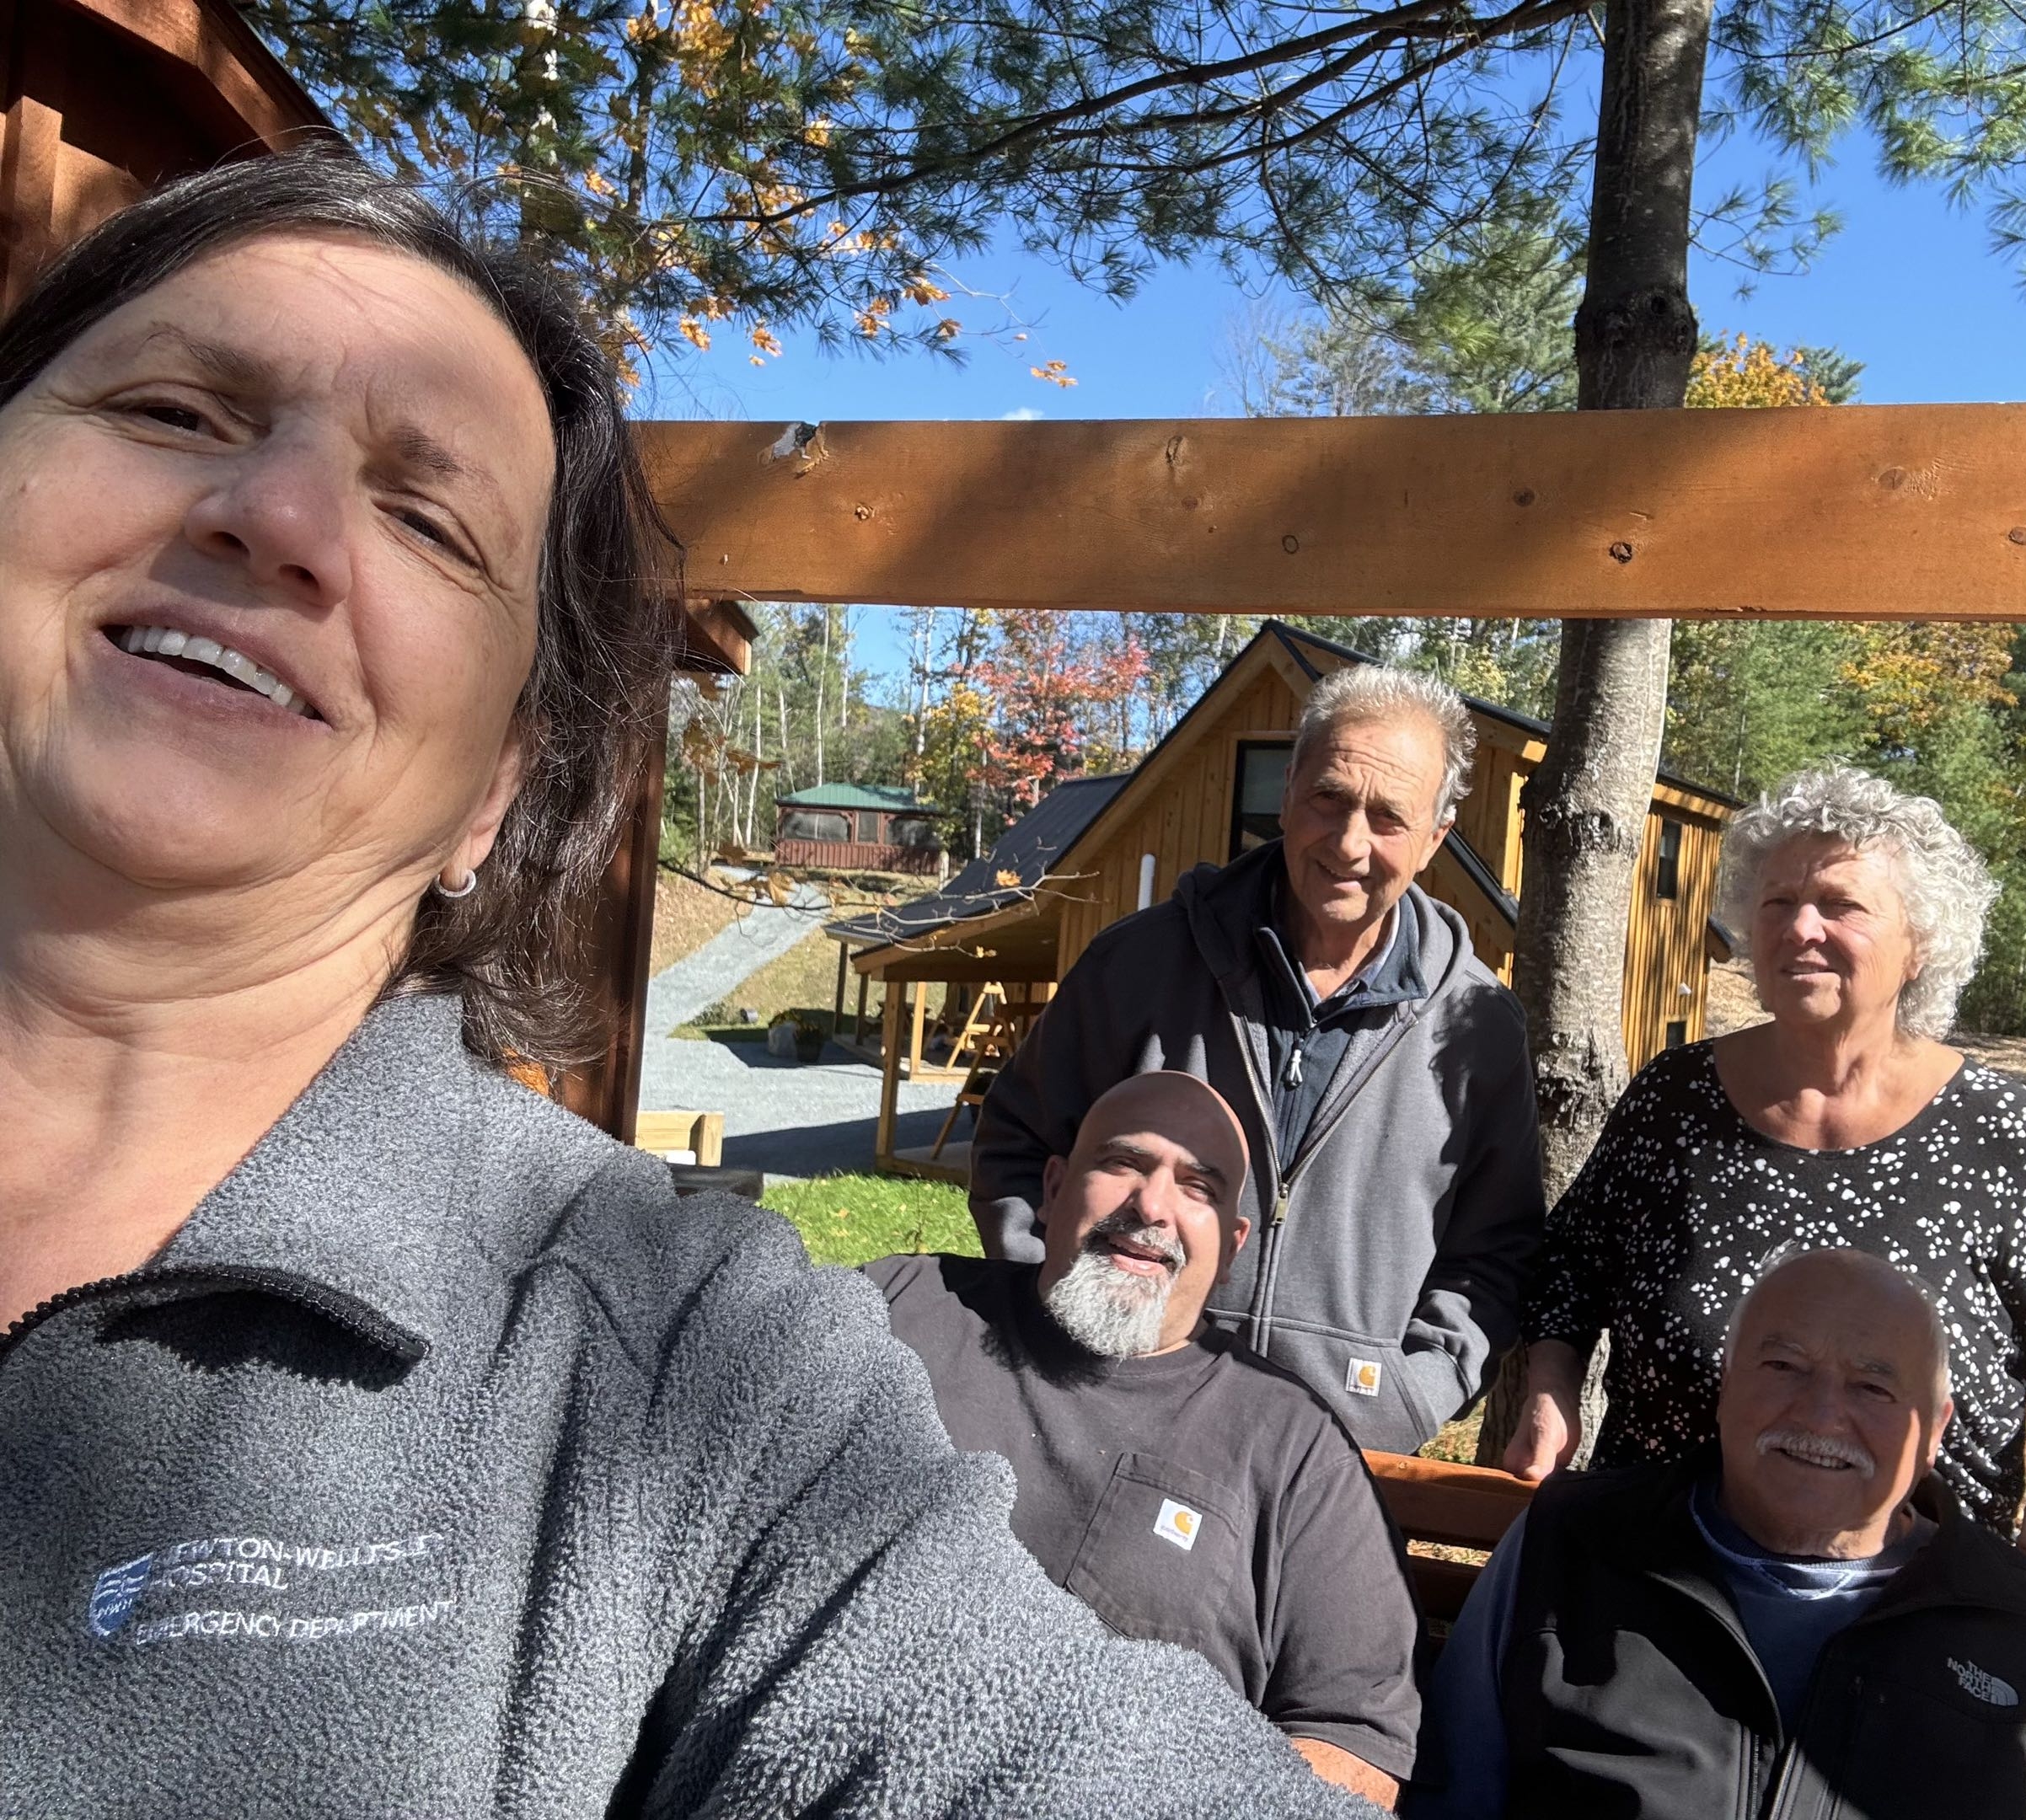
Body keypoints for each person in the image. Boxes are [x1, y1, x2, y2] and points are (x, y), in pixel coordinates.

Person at [0, 152, 1373, 1818]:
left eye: (427, 519)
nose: (273, 516)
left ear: (498, 788)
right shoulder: (1119, 992)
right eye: (176, 409)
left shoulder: (675, 1358)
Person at [1501, 766, 2026, 1621]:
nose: (1800, 930)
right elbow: (1569, 1266)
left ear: (1919, 942)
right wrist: (1552, 1388)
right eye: (1777, 904)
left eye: (1842, 906)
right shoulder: (1676, 1102)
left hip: (1918, 1613)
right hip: (1659, 1595)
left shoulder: (2004, 1135)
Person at [970, 663, 1546, 1453]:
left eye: (1387, 818)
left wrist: (1410, 1394)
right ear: (1287, 791)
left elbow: (1496, 1251)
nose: (1349, 843)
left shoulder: (1477, 1029)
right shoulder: (1139, 966)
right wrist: (1063, 1316)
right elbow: (1016, 1146)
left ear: (1436, 838)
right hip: (1108, 1416)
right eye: (1329, 798)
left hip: (1335, 1454)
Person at [1418, 1247, 2026, 1820]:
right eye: (1783, 1366)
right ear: (1725, 1388)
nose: (1819, 1416)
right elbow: (1450, 1799)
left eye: (1873, 1386)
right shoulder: (1574, 1545)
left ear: (1935, 1429)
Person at [868, 1071, 1423, 1808]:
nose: (1151, 1206)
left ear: (1231, 1246)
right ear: (1056, 1186)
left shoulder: (1296, 1449)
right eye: (1123, 1163)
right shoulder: (902, 1308)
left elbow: (1353, 1740)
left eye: (1197, 1186)